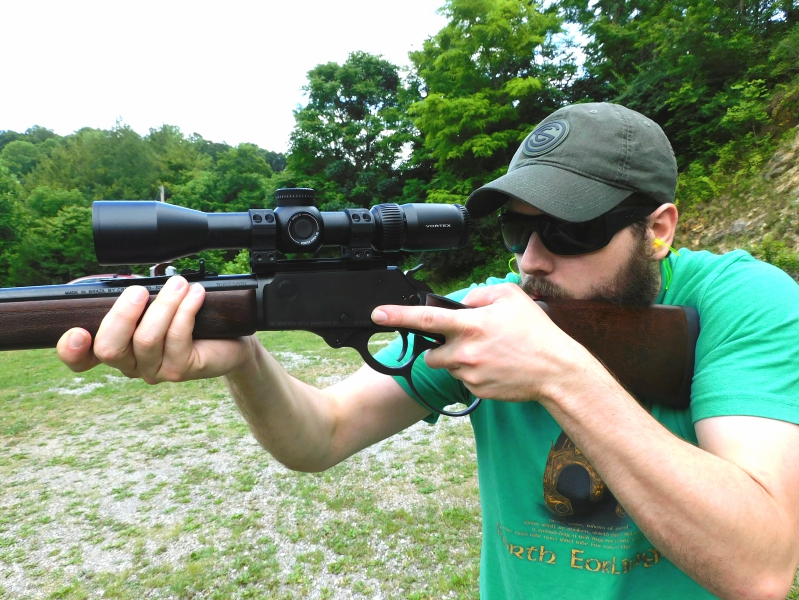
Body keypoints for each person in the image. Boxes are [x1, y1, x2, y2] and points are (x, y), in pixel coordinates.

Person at [57, 103, 799, 599]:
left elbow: (760, 567)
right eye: (516, 231)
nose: (533, 261)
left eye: (571, 232)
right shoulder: (492, 309)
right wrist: (246, 358)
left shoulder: (743, 303)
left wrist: (559, 374)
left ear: (658, 228)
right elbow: (322, 435)